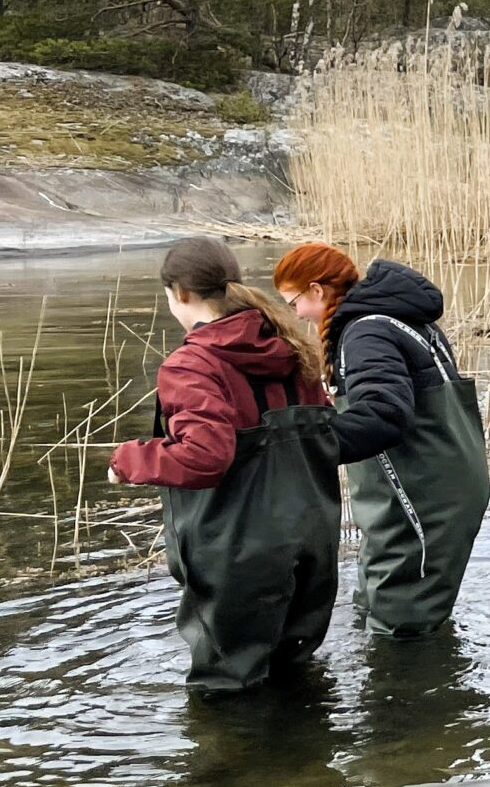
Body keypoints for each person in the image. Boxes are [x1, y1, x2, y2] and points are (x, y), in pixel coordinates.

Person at [107, 236, 340, 693]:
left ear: (181, 294)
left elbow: (205, 456)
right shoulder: (293, 348)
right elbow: (327, 430)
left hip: (239, 553)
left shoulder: (192, 364)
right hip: (312, 540)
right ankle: (310, 762)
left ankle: (239, 765)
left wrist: (128, 459)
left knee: (227, 692)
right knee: (296, 677)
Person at [273, 243, 490, 639]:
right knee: (376, 608)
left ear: (317, 291)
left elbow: (384, 414)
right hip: (440, 486)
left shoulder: (365, 333)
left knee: (403, 632)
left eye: (294, 303)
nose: (298, 315)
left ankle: (409, 695)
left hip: (421, 499)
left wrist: (304, 447)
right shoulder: (398, 319)